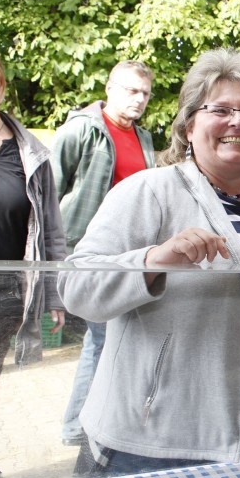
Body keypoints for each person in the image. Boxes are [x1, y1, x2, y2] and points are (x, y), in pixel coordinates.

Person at [57, 49, 240, 477]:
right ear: (189, 125)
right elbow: (76, 288)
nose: (237, 121)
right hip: (158, 441)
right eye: (221, 110)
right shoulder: (149, 191)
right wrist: (153, 260)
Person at [0, 44, 67, 478]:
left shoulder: (31, 153)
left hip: (3, 289)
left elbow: (51, 229)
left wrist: (54, 293)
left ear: (1, 87)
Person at [53, 60, 157, 447]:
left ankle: (95, 423)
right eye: (131, 90)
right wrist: (52, 256)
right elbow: (48, 194)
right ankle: (78, 427)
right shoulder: (81, 129)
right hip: (90, 255)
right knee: (100, 341)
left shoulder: (144, 139)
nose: (139, 99)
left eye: (145, 93)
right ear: (109, 88)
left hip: (132, 259)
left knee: (109, 342)